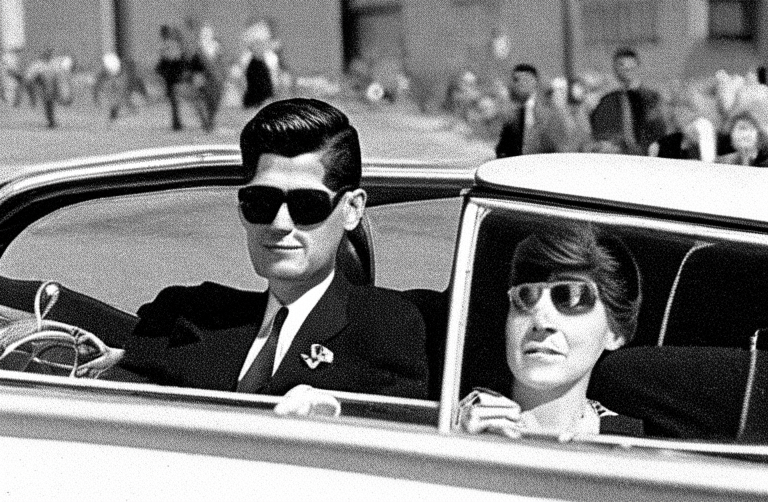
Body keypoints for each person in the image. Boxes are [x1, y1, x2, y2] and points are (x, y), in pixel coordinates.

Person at [78, 98, 429, 400]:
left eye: (307, 204)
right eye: (261, 202)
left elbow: (395, 435)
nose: (279, 224)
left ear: (351, 209)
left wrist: (329, 414)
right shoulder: (185, 313)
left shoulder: (388, 324)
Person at [459, 223, 643, 437]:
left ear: (615, 332)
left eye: (572, 297)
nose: (541, 321)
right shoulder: (446, 420)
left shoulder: (635, 447)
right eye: (524, 297)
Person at [590, 48, 667, 155]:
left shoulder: (651, 98)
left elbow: (659, 130)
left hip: (644, 158)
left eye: (631, 65)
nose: (627, 68)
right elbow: (602, 130)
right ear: (615, 69)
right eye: (621, 65)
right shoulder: (608, 100)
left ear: (637, 67)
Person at [495, 64, 540, 158]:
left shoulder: (547, 110)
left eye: (525, 79)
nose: (519, 83)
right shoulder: (513, 112)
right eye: (515, 80)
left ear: (534, 81)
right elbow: (503, 146)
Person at [186, 24, 225, 132]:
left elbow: (220, 63)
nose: (206, 36)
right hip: (201, 77)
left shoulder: (217, 47)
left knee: (214, 101)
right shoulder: (198, 48)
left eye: (208, 34)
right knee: (202, 101)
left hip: (215, 79)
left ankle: (210, 121)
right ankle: (206, 122)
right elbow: (193, 64)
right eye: (204, 34)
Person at [156, 25, 186, 131]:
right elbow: (177, 58)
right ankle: (176, 122)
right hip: (172, 74)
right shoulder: (171, 44)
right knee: (174, 100)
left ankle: (176, 123)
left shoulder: (167, 45)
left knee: (174, 99)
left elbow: (170, 59)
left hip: (171, 74)